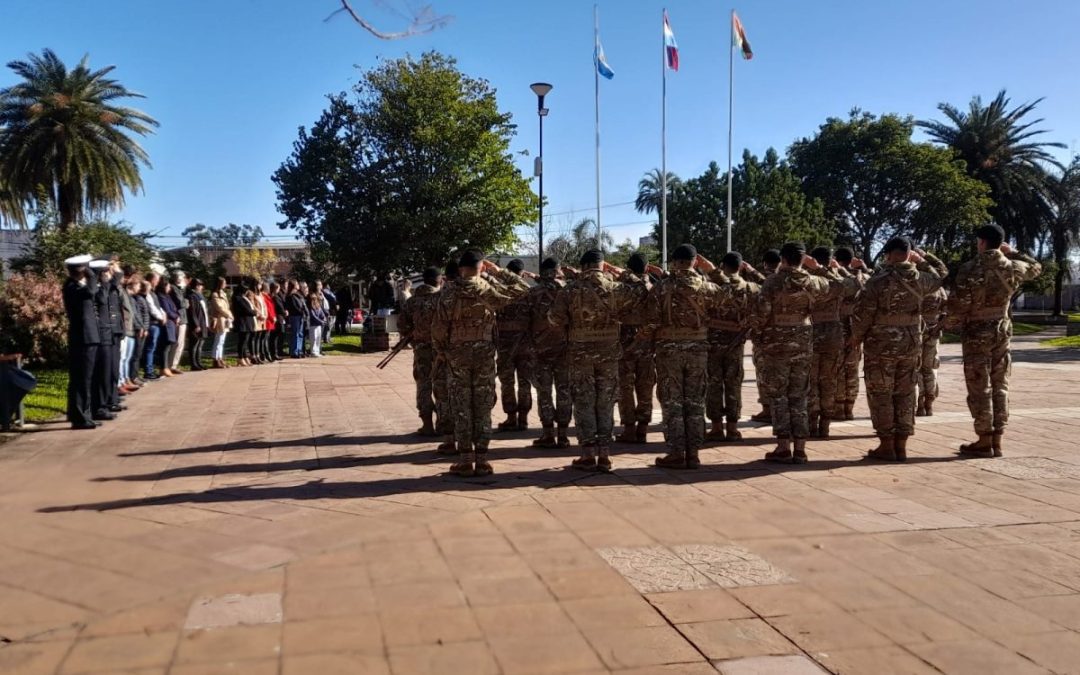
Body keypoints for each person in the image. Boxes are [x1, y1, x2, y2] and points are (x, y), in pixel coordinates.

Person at [947, 224, 1042, 458]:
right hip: (1002, 330)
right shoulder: (1013, 267)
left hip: (976, 333)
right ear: (1000, 242)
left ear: (981, 242)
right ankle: (997, 439)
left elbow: (958, 305)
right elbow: (1037, 267)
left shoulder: (969, 268)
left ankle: (984, 438)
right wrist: (1013, 253)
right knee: (1000, 383)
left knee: (979, 384)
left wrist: (949, 323)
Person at [550, 249, 648, 472]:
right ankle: (604, 455)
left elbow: (555, 320)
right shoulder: (616, 288)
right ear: (603, 265)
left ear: (583, 266)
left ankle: (587, 455)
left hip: (580, 354)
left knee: (584, 402)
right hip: (609, 354)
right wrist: (625, 274)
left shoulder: (570, 289)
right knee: (605, 402)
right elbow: (642, 291)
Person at [434, 251, 529, 477]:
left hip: (457, 353)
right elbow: (524, 289)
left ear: (460, 269)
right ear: (481, 267)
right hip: (485, 353)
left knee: (462, 404)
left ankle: (466, 460)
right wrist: (499, 272)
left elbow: (438, 329)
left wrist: (443, 352)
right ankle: (483, 460)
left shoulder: (449, 292)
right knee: (483, 403)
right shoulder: (488, 290)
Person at [854, 238, 948, 462]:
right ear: (908, 253)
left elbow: (863, 314)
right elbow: (941, 273)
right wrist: (922, 259)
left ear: (889, 254)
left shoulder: (877, 281)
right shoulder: (922, 279)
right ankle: (902, 444)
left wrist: (856, 338)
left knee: (881, 393)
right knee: (905, 392)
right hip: (910, 341)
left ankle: (887, 444)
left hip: (881, 344)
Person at [643, 246, 730, 470]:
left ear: (674, 262)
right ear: (695, 262)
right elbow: (730, 295)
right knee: (695, 401)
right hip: (698, 350)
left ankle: (676, 452)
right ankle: (693, 453)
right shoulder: (707, 287)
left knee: (672, 402)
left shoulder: (661, 288)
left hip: (668, 351)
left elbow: (651, 321)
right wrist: (714, 271)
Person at [750, 242, 837, 464]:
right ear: (802, 259)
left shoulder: (772, 282)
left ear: (783, 259)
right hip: (803, 344)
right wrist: (817, 267)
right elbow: (838, 286)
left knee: (779, 395)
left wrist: (757, 333)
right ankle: (800, 449)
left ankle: (783, 447)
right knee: (799, 395)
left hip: (776, 346)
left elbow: (761, 314)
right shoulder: (812, 281)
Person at [806, 246, 851, 439]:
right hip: (833, 334)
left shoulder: (809, 278)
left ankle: (813, 423)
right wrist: (830, 269)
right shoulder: (835, 278)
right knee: (829, 380)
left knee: (811, 381)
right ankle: (824, 424)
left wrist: (816, 269)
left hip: (812, 333)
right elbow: (852, 285)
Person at [527, 257, 571, 449]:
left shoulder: (533, 293)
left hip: (540, 349)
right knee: (564, 391)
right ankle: (563, 435)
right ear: (558, 270)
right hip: (565, 348)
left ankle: (548, 433)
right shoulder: (568, 291)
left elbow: (525, 322)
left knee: (544, 392)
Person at [399, 267, 443, 436]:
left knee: (423, 384)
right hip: (441, 349)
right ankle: (443, 422)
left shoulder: (412, 302)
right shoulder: (442, 299)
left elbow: (402, 324)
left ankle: (427, 424)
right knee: (441, 384)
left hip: (421, 348)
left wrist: (413, 335)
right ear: (439, 280)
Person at [495, 259, 535, 432]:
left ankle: (511, 418)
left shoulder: (501, 291)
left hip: (505, 345)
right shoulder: (529, 292)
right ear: (521, 273)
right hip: (526, 344)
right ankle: (524, 418)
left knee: (507, 382)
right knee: (525, 381)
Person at [61, 255, 100, 429]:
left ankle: (83, 414)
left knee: (84, 378)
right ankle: (80, 417)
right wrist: (92, 276)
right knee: (81, 379)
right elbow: (91, 292)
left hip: (87, 337)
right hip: (82, 338)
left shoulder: (77, 286)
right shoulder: (71, 286)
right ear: (81, 270)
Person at [750, 248, 783, 423]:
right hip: (789, 336)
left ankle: (768, 409)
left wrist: (755, 331)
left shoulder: (766, 282)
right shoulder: (789, 279)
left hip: (766, 336)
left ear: (765, 263)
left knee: (764, 374)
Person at [431, 261, 459, 455]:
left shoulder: (437, 297)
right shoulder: (479, 294)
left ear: (445, 278)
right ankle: (470, 443)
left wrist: (440, 351)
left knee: (443, 396)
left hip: (441, 355)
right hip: (471, 356)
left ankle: (449, 439)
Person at [917, 287, 948, 416]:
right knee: (930, 368)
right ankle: (929, 404)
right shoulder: (938, 289)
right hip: (933, 332)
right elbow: (946, 313)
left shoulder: (914, 284)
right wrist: (937, 328)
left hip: (915, 332)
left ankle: (920, 404)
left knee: (916, 368)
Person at [142, 273, 165, 380]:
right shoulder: (147, 293)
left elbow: (158, 306)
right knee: (150, 348)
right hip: (152, 323)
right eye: (156, 279)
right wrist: (161, 317)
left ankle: (150, 369)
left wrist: (163, 314)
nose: (157, 282)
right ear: (151, 280)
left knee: (152, 348)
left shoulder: (153, 292)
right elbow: (152, 308)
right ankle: (148, 371)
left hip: (156, 323)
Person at [156, 278, 180, 377]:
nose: (169, 288)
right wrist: (175, 317)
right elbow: (167, 310)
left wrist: (177, 316)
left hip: (173, 323)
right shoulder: (161, 297)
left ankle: (167, 366)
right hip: (168, 324)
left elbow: (174, 307)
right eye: (168, 286)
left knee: (171, 345)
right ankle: (164, 367)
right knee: (166, 346)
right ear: (164, 286)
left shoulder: (167, 296)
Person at [129, 274, 150, 385]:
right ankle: (133, 376)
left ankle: (135, 375)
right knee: (135, 354)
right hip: (137, 330)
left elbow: (143, 315)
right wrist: (141, 327)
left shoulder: (139, 298)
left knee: (138, 354)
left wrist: (144, 327)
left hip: (141, 328)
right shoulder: (134, 299)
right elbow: (135, 314)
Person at [186, 279, 210, 370]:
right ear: (196, 286)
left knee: (200, 344)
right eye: (200, 285)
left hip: (203, 323)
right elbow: (192, 312)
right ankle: (193, 364)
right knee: (194, 344)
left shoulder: (200, 296)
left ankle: (198, 362)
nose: (202, 287)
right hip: (197, 324)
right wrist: (196, 324)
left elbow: (205, 310)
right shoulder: (192, 296)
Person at [168, 270, 189, 374]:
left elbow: (185, 303)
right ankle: (171, 365)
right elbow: (181, 303)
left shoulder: (180, 289)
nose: (184, 279)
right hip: (179, 319)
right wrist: (186, 302)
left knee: (181, 343)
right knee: (177, 343)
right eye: (182, 277)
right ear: (178, 278)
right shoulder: (174, 288)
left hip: (183, 318)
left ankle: (174, 364)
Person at [232, 283, 257, 366]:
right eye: (245, 290)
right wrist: (254, 312)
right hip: (242, 322)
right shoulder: (237, 298)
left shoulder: (243, 298)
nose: (247, 292)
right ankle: (240, 358)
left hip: (247, 321)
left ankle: (245, 356)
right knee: (242, 341)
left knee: (245, 341)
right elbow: (246, 309)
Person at [286, 280, 308, 358]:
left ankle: (299, 350)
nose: (298, 285)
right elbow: (294, 307)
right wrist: (301, 311)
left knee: (300, 334)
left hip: (300, 316)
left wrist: (304, 312)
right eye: (297, 284)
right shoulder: (291, 296)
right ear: (294, 285)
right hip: (295, 316)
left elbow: (302, 305)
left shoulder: (297, 295)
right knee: (295, 334)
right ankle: (294, 352)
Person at [269, 282, 287, 360]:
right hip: (278, 317)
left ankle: (275, 353)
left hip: (278, 317)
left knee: (275, 337)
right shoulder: (275, 297)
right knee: (275, 337)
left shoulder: (274, 296)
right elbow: (279, 307)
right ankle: (275, 353)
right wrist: (284, 312)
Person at [308, 291, 328, 356]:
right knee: (313, 339)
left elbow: (322, 314)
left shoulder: (318, 305)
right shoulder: (310, 307)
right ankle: (313, 352)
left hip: (319, 325)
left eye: (315, 298)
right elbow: (313, 316)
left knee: (318, 339)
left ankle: (317, 351)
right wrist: (321, 321)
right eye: (312, 298)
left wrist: (324, 319)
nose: (314, 299)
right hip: (313, 325)